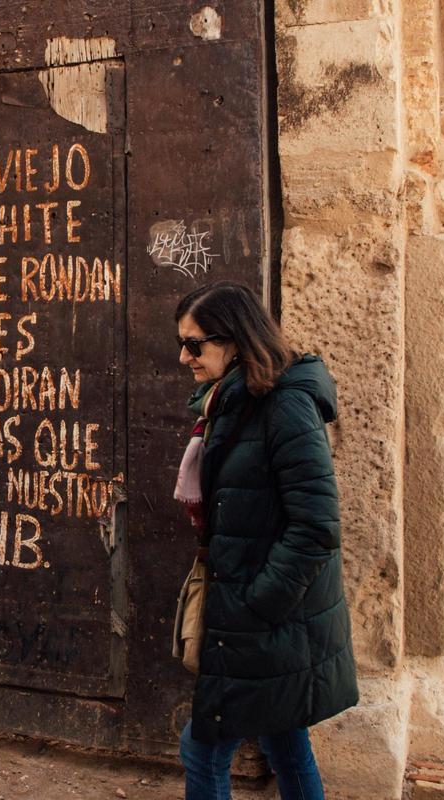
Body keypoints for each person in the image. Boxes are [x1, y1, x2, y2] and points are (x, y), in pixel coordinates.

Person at [172, 281, 357, 799]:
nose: (184, 356)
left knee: (202, 748)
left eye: (195, 344)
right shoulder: (232, 404)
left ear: (235, 339)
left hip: (264, 619)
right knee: (286, 743)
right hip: (259, 618)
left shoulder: (283, 406)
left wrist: (260, 604)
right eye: (182, 343)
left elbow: (317, 525)